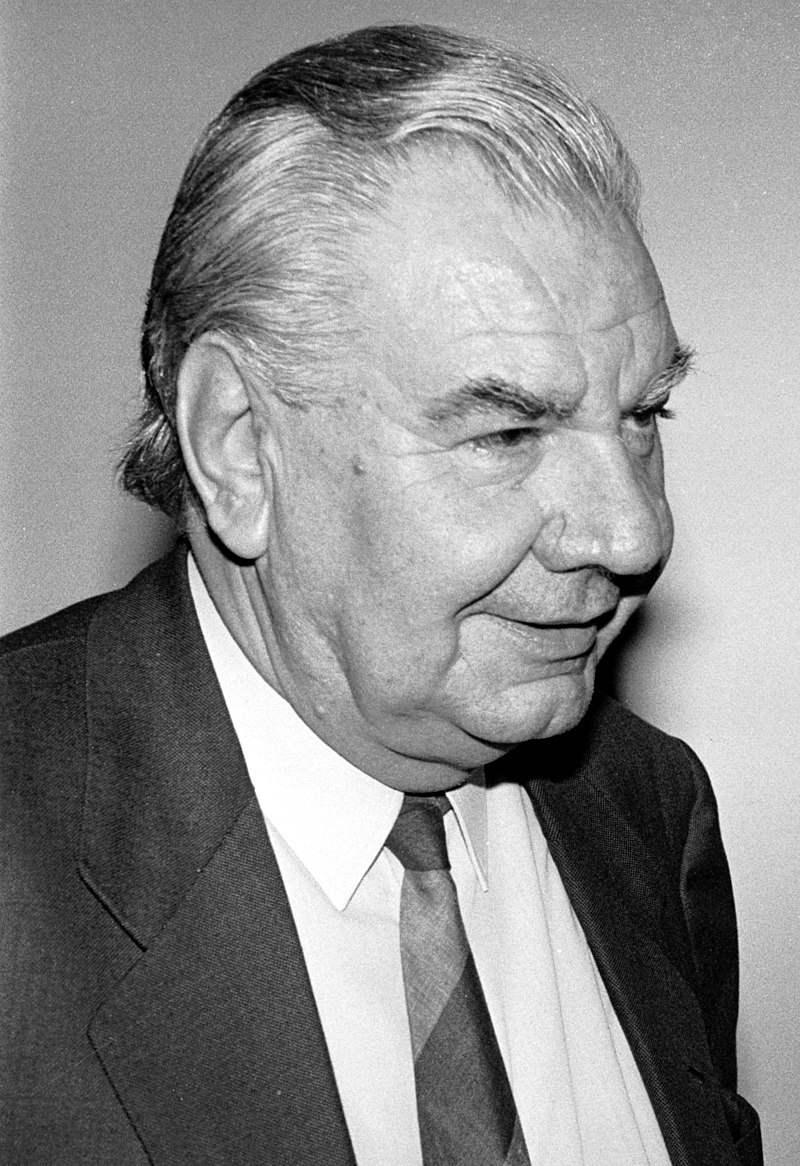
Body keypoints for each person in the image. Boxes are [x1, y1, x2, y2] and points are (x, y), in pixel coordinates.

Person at [0, 23, 762, 1166]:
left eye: (642, 414)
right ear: (240, 448)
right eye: (506, 431)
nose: (634, 532)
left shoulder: (648, 806)